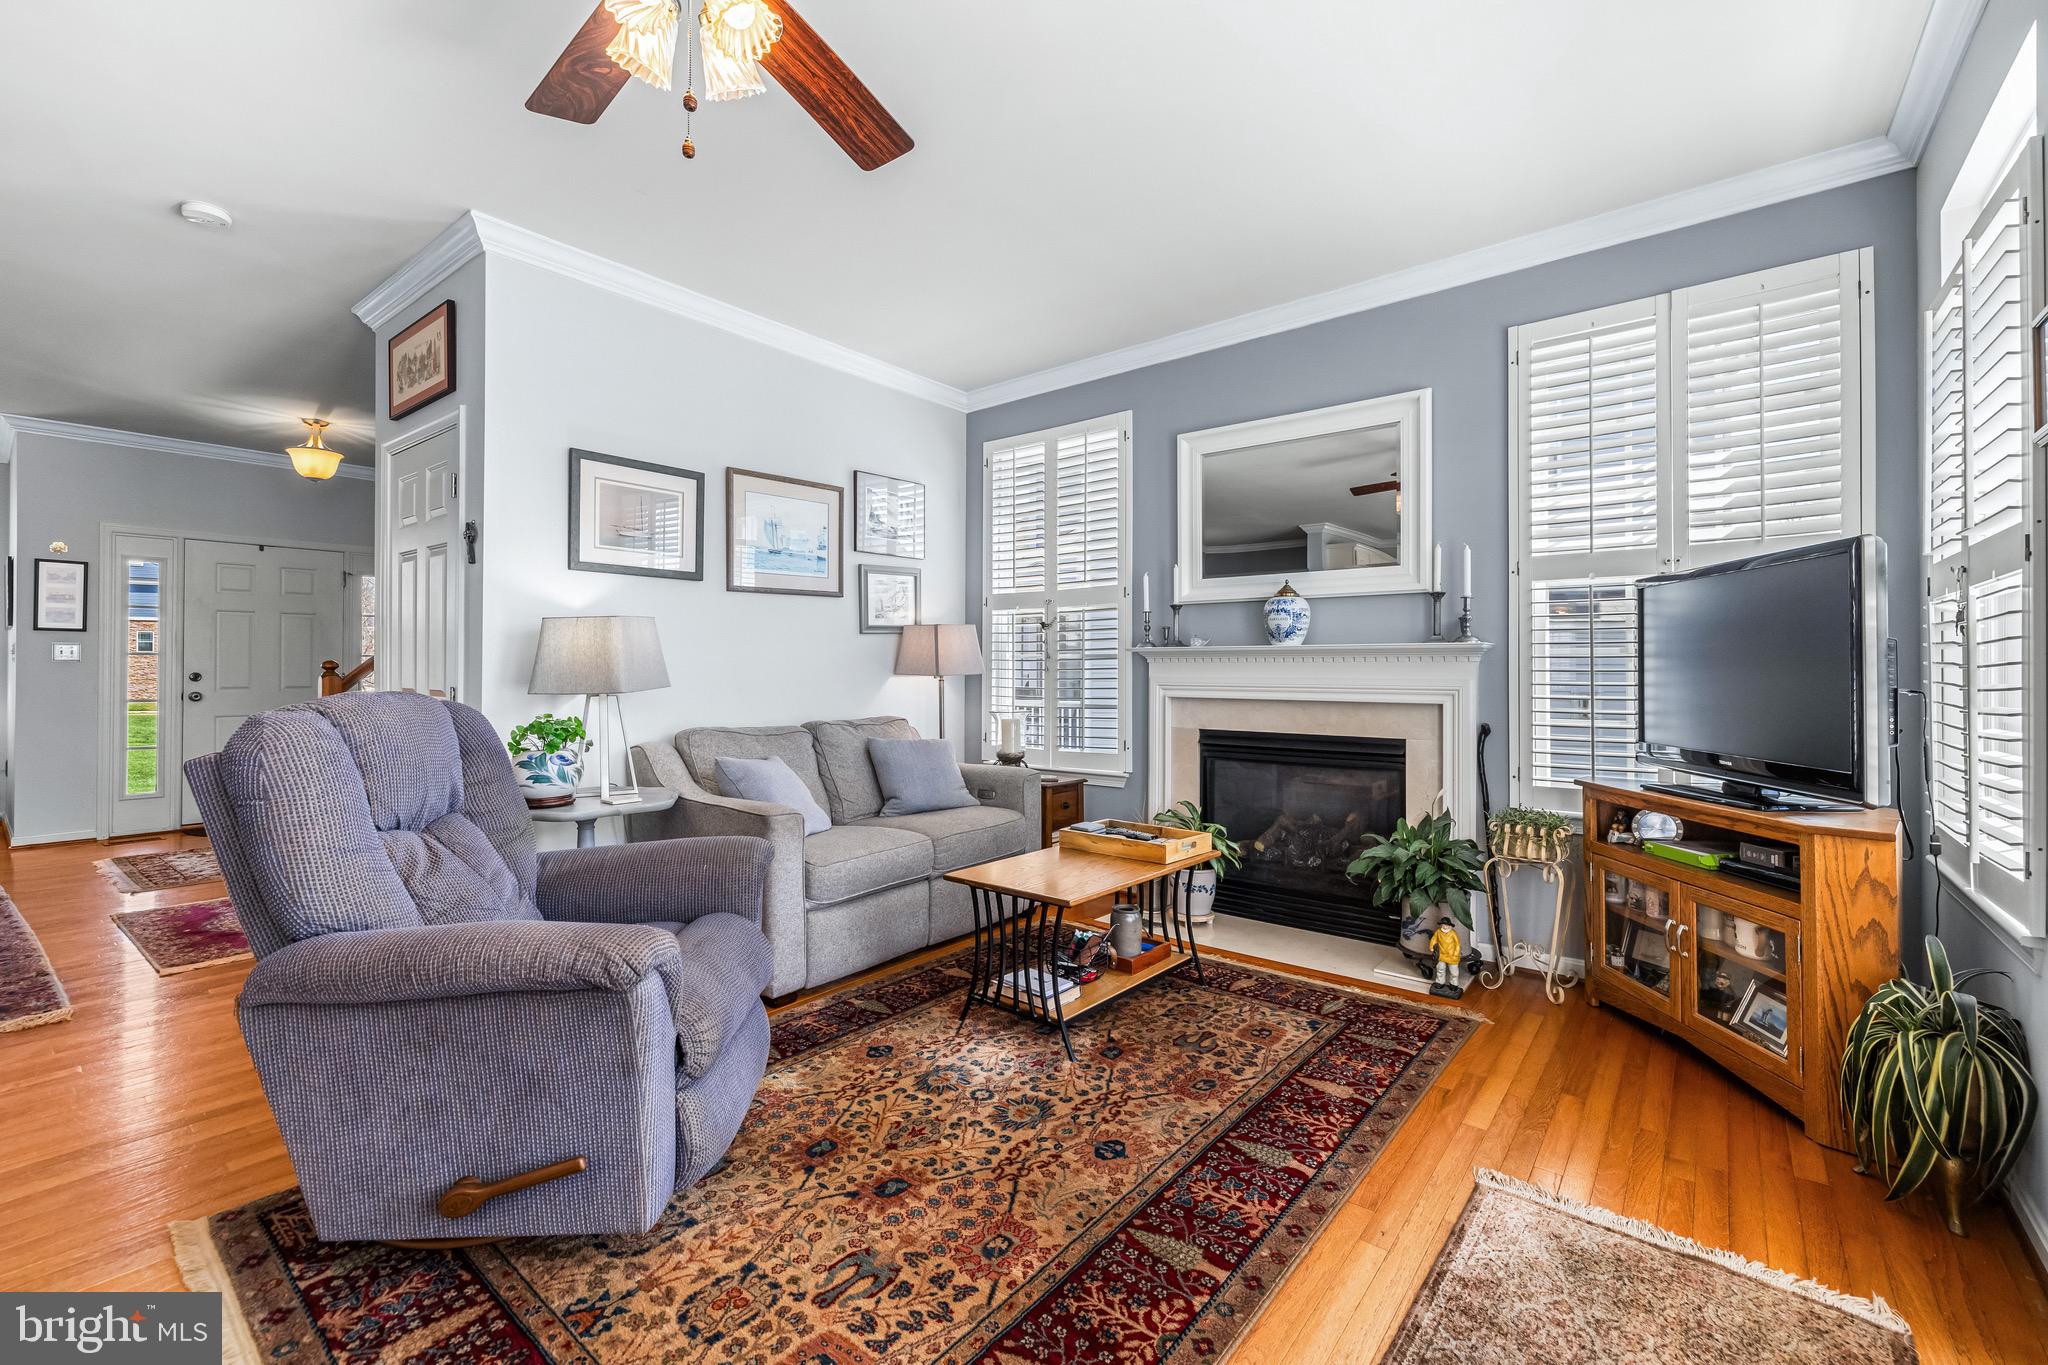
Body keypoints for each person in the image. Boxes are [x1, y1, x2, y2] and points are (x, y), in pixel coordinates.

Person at [1426, 915, 1462, 996]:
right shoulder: (1438, 932)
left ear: (1449, 926)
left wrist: (1455, 954)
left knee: (1454, 972)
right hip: (1441, 955)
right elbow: (1434, 939)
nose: (1444, 926)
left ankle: (1454, 984)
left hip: (1452, 956)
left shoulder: (1453, 933)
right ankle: (1440, 982)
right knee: (1440, 969)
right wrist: (1431, 947)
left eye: (1446, 925)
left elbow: (1457, 945)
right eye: (1443, 925)